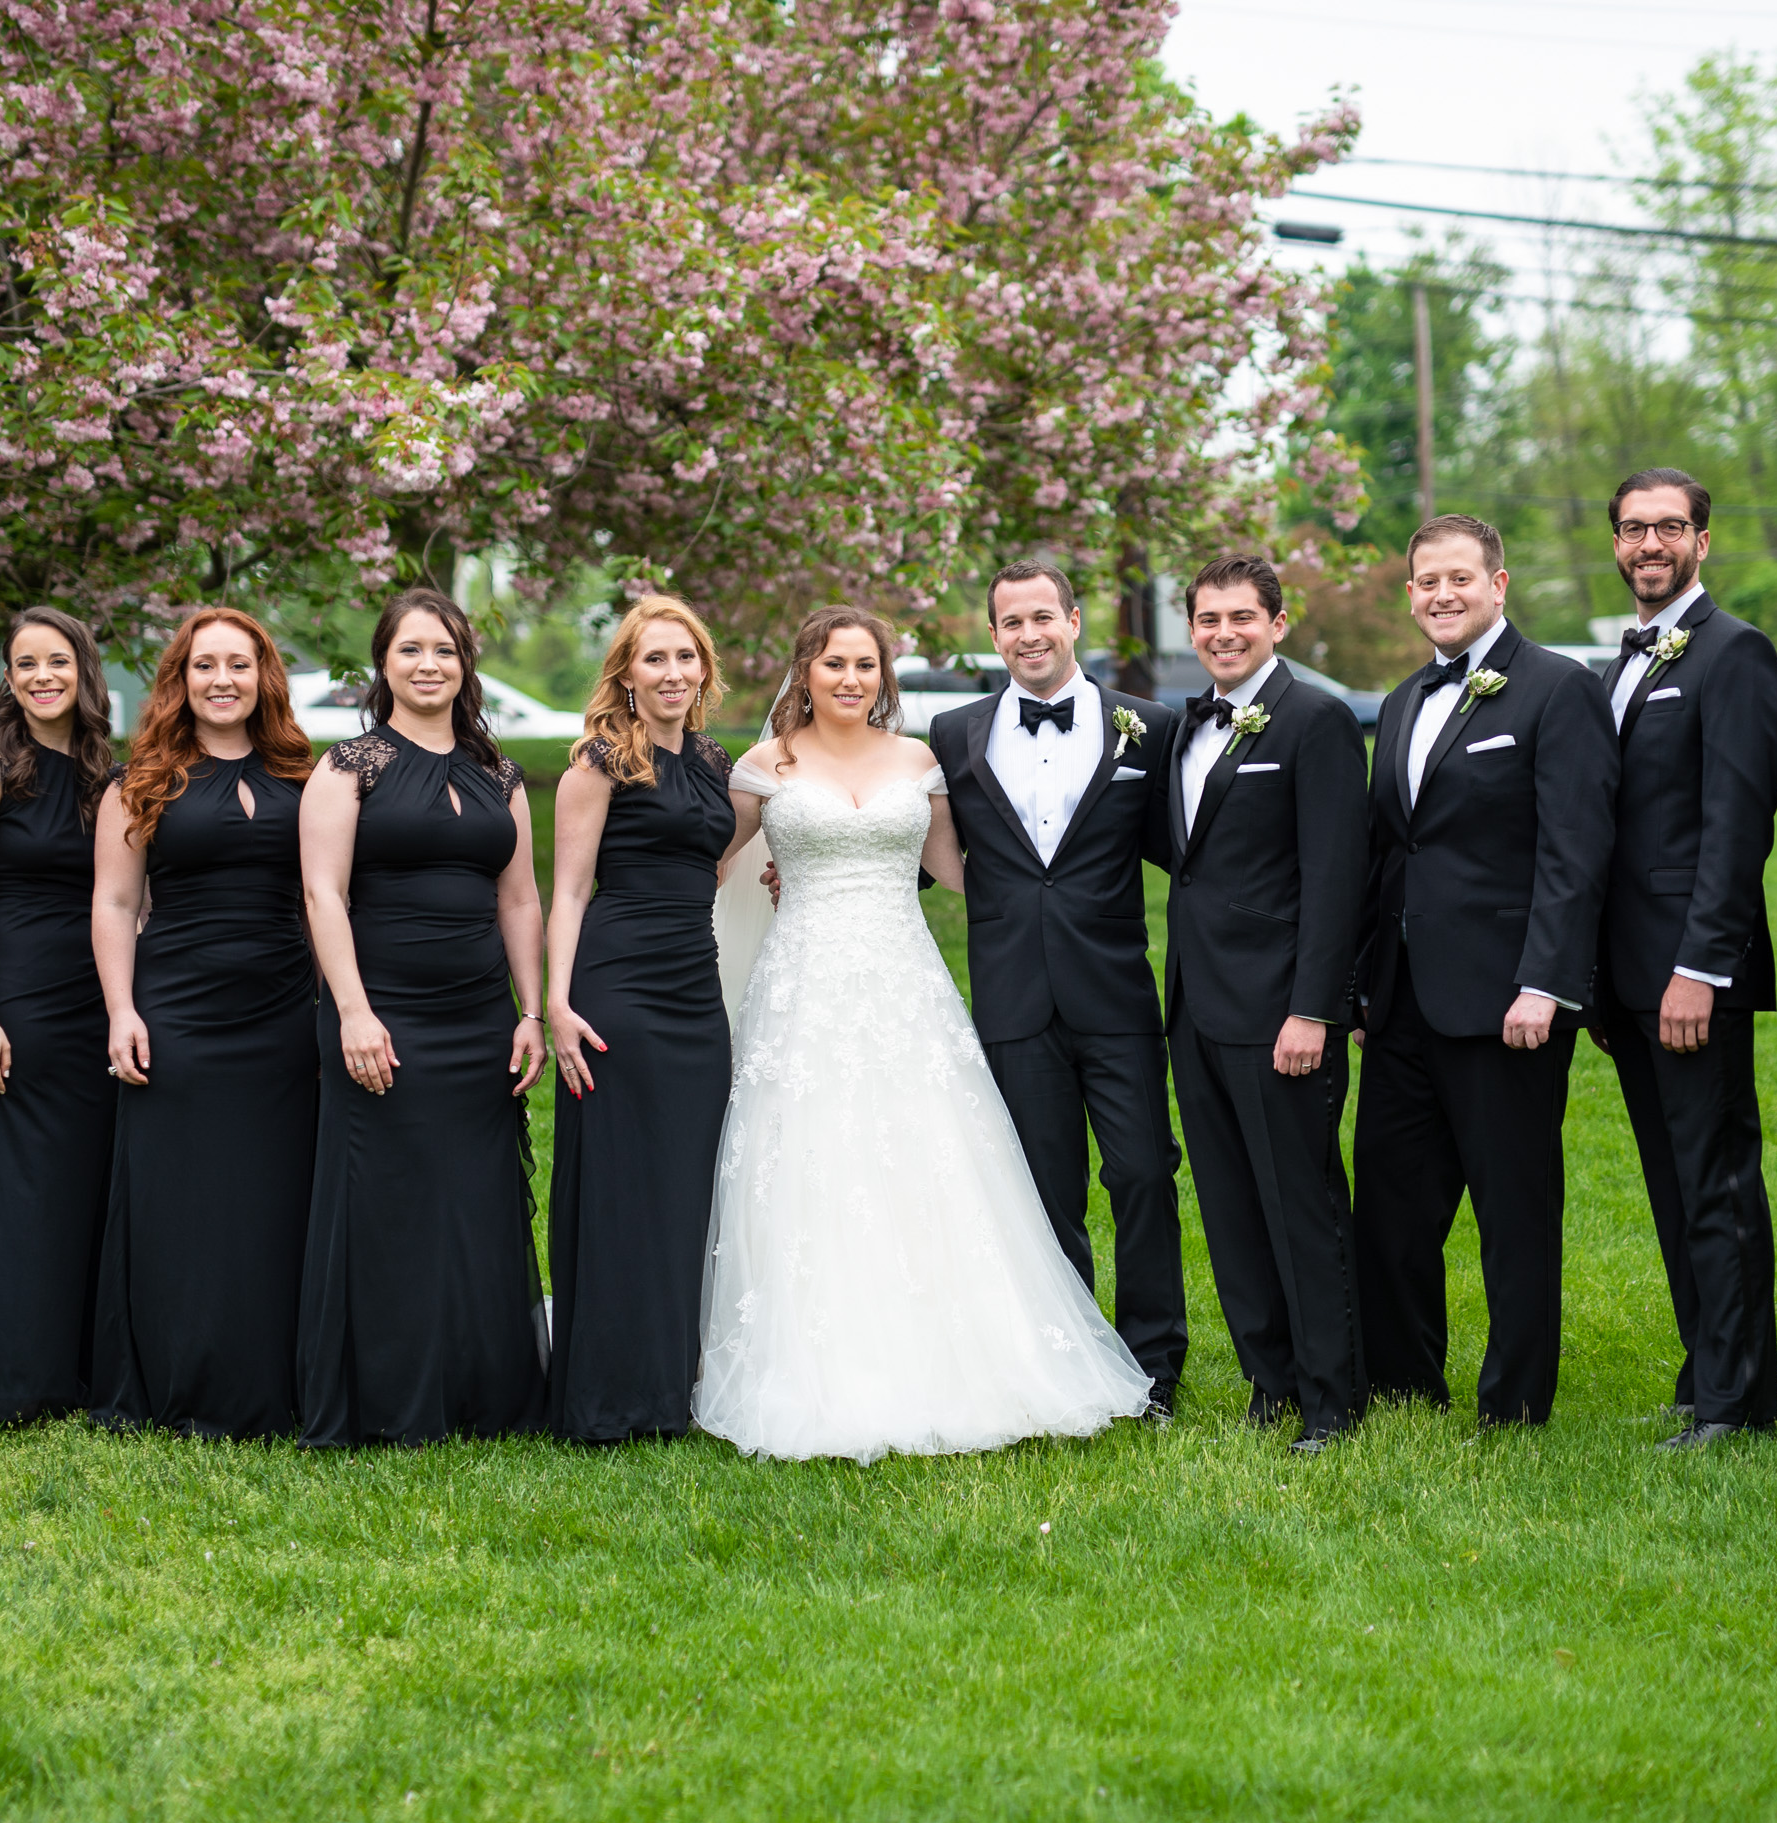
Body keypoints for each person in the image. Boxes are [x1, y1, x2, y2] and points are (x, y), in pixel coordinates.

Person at [696, 605, 1150, 1462]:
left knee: (929, 1151)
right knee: (813, 1156)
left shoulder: (918, 761)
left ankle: (969, 1353)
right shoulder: (764, 766)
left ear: (884, 676)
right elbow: (704, 861)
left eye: (865, 665)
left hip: (905, 985)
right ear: (805, 672)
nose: (851, 679)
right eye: (834, 664)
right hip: (804, 988)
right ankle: (820, 1357)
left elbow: (966, 872)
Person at [1352, 516, 1616, 1429]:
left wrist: (1545, 984)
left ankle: (1516, 1400)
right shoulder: (1399, 702)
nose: (1443, 594)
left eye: (1460, 578)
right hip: (1401, 1002)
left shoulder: (1559, 689)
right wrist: (1363, 986)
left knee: (1514, 1212)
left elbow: (1575, 851)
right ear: (1411, 595)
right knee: (1390, 1206)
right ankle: (1403, 1383)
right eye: (1427, 581)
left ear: (1498, 585)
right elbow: (1390, 854)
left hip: (1509, 1000)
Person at [924, 560, 1188, 1419]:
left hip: (1114, 993)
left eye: (1044, 616)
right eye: (1012, 622)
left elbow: (1189, 852)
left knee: (1142, 1175)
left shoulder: (1148, 726)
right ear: (993, 635)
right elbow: (922, 845)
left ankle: (1154, 1366)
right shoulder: (954, 733)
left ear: (1074, 621)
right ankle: (1068, 1364)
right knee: (1043, 1193)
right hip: (1012, 995)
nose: (1029, 634)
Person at [297, 588, 550, 1447]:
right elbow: (322, 895)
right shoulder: (349, 766)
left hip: (479, 1018)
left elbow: (519, 900)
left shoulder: (499, 774)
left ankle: (482, 1392)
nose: (428, 664)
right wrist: (353, 1012)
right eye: (410, 649)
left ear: (465, 663)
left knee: (474, 1202)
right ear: (384, 663)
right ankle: (389, 1397)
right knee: (389, 1204)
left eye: (444, 649)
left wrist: (528, 1013)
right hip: (383, 1015)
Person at [1584, 473, 1777, 1448]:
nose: (1651, 543)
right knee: (1672, 1184)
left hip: (1690, 975)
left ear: (1704, 541)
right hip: (1626, 976)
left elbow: (1737, 827)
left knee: (1716, 1184)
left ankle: (1737, 1404)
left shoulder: (1734, 652)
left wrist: (1700, 968)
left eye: (1670, 526)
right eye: (1634, 528)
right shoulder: (1616, 665)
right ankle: (1707, 1368)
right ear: (1616, 544)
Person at [88, 607, 318, 1441]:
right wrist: (122, 1010)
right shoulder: (142, 779)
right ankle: (176, 1380)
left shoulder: (305, 776)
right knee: (179, 1200)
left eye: (239, 665)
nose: (223, 680)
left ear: (264, 677)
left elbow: (327, 897)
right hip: (177, 1012)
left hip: (284, 1015)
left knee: (273, 1198)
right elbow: (115, 903)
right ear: (179, 681)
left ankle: (273, 1382)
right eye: (205, 666)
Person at [1165, 555, 1369, 1453]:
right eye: (1209, 619)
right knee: (1230, 1208)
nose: (1225, 633)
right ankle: (1270, 1384)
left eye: (1242, 617)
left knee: (1300, 1207)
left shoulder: (1316, 720)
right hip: (1196, 1007)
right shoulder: (1181, 726)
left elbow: (1337, 877)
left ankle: (1333, 1400)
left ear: (1278, 624)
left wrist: (1314, 1009)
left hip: (1282, 1010)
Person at [543, 596, 738, 1444]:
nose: (672, 673)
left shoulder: (712, 759)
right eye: (655, 658)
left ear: (704, 670)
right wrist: (556, 1003)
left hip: (696, 987)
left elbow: (712, 859)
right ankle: (611, 1395)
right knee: (623, 1184)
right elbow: (568, 891)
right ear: (626, 671)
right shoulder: (599, 762)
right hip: (618, 985)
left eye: (685, 657)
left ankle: (674, 1380)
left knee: (686, 1184)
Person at [0, 607, 118, 1422]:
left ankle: (78, 1371)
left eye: (58, 661)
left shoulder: (106, 773)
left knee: (81, 1183)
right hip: (16, 994)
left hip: (93, 999)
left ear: (84, 671)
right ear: (7, 679)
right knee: (17, 1187)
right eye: (26, 664)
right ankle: (10, 1379)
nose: (43, 677)